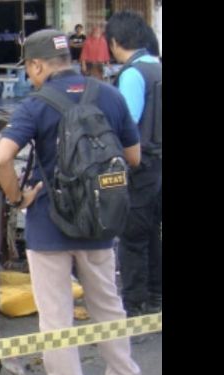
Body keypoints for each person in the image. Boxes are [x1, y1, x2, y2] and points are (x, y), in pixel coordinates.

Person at [0, 29, 142, 375]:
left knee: (56, 314)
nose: (29, 76)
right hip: (99, 220)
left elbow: (1, 158)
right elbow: (134, 156)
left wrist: (15, 198)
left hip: (49, 224)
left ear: (39, 65)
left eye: (29, 68)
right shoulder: (109, 94)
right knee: (108, 303)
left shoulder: (35, 104)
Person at [106, 11, 162, 318]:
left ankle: (135, 304)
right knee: (154, 232)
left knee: (132, 239)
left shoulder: (132, 74)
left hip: (141, 167)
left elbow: (126, 125)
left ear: (115, 42)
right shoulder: (158, 66)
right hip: (160, 166)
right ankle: (156, 296)